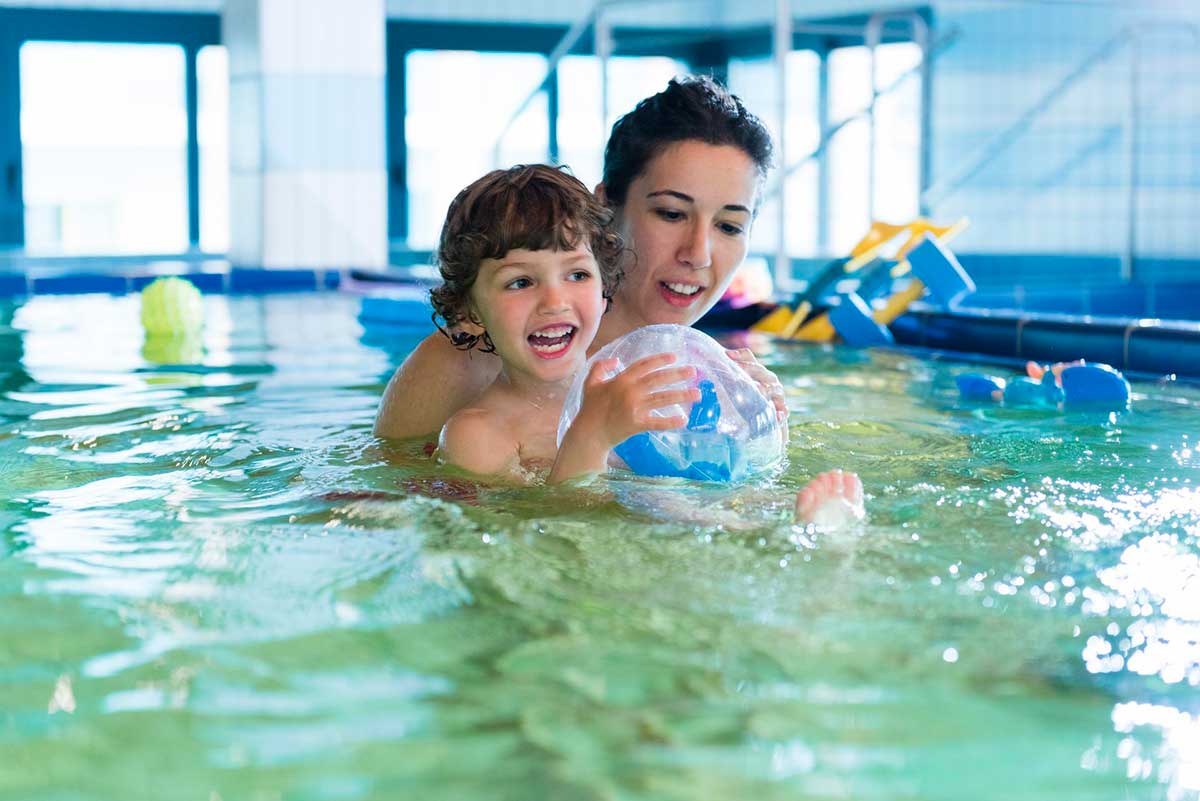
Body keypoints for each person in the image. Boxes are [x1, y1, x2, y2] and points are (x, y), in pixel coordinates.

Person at [374, 75, 785, 441]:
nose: (698, 254)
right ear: (605, 207)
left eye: (729, 226)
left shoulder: (707, 381)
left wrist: (762, 428)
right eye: (671, 214)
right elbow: (380, 503)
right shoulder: (469, 361)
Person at [430, 163, 700, 483]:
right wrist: (591, 436)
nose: (555, 302)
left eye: (577, 275)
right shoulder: (476, 434)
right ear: (469, 314)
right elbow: (553, 526)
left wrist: (756, 412)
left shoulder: (626, 385)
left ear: (603, 291)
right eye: (520, 282)